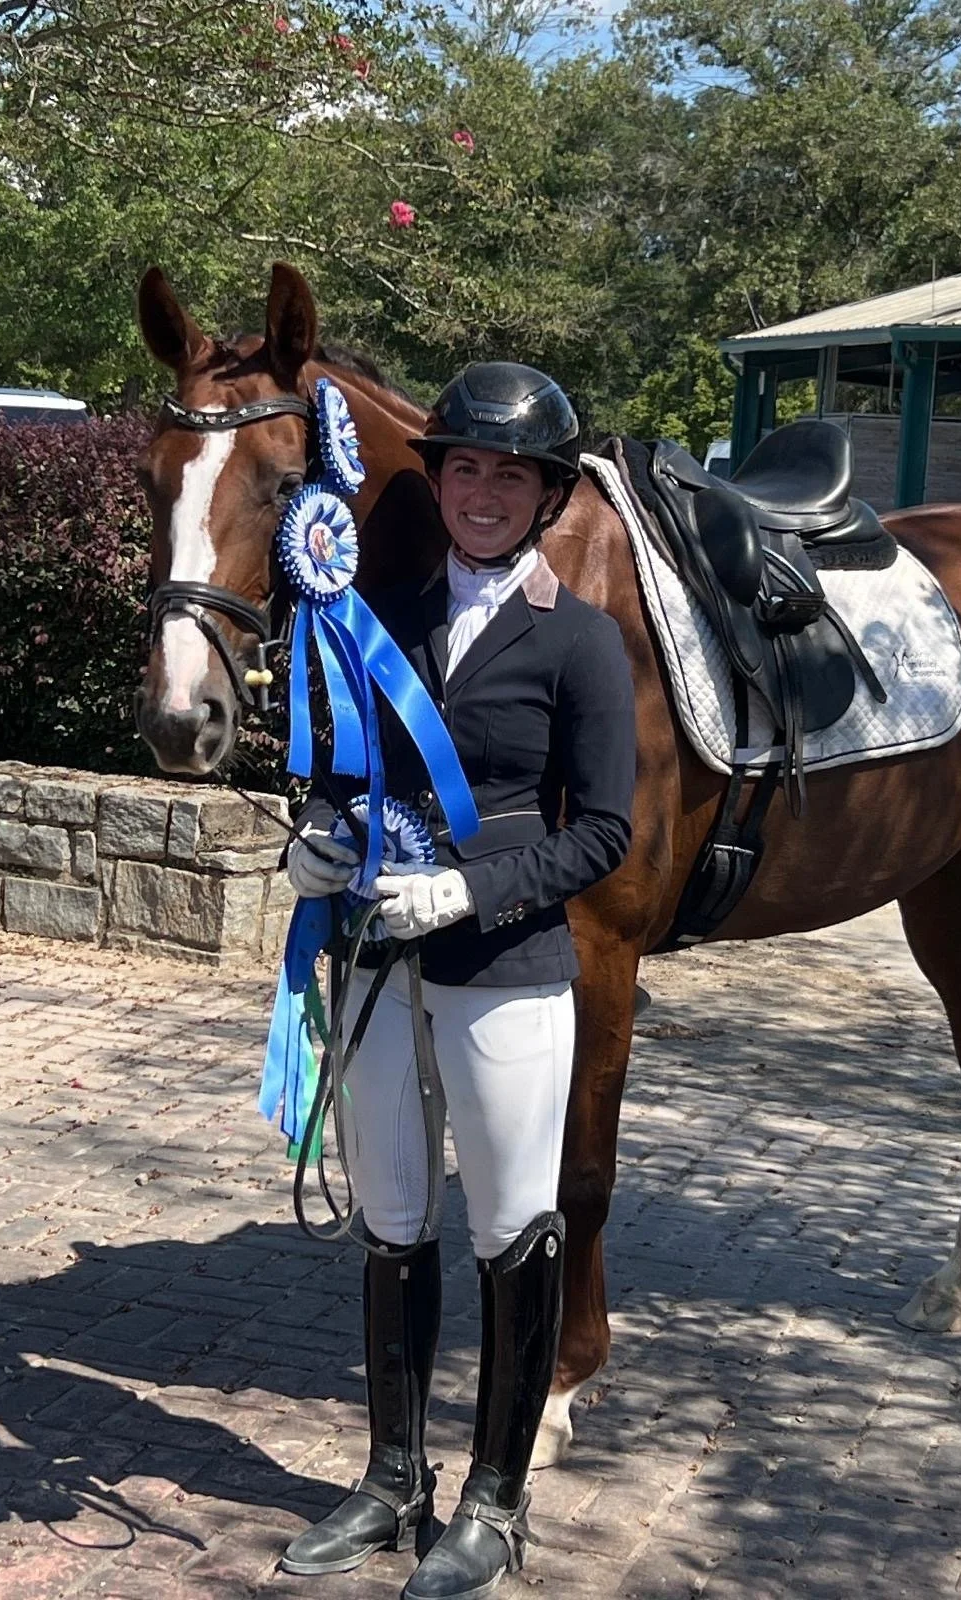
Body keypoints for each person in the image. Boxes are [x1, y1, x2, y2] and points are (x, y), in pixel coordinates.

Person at [277, 362, 637, 1600]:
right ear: (438, 482)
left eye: (511, 474)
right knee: (390, 1217)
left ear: (547, 495)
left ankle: (495, 1499)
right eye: (466, 467)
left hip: (505, 962)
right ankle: (391, 1478)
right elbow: (341, 765)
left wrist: (472, 892)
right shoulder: (377, 610)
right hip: (381, 949)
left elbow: (604, 834)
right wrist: (316, 834)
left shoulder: (582, 642)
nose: (484, 492)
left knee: (508, 1228)